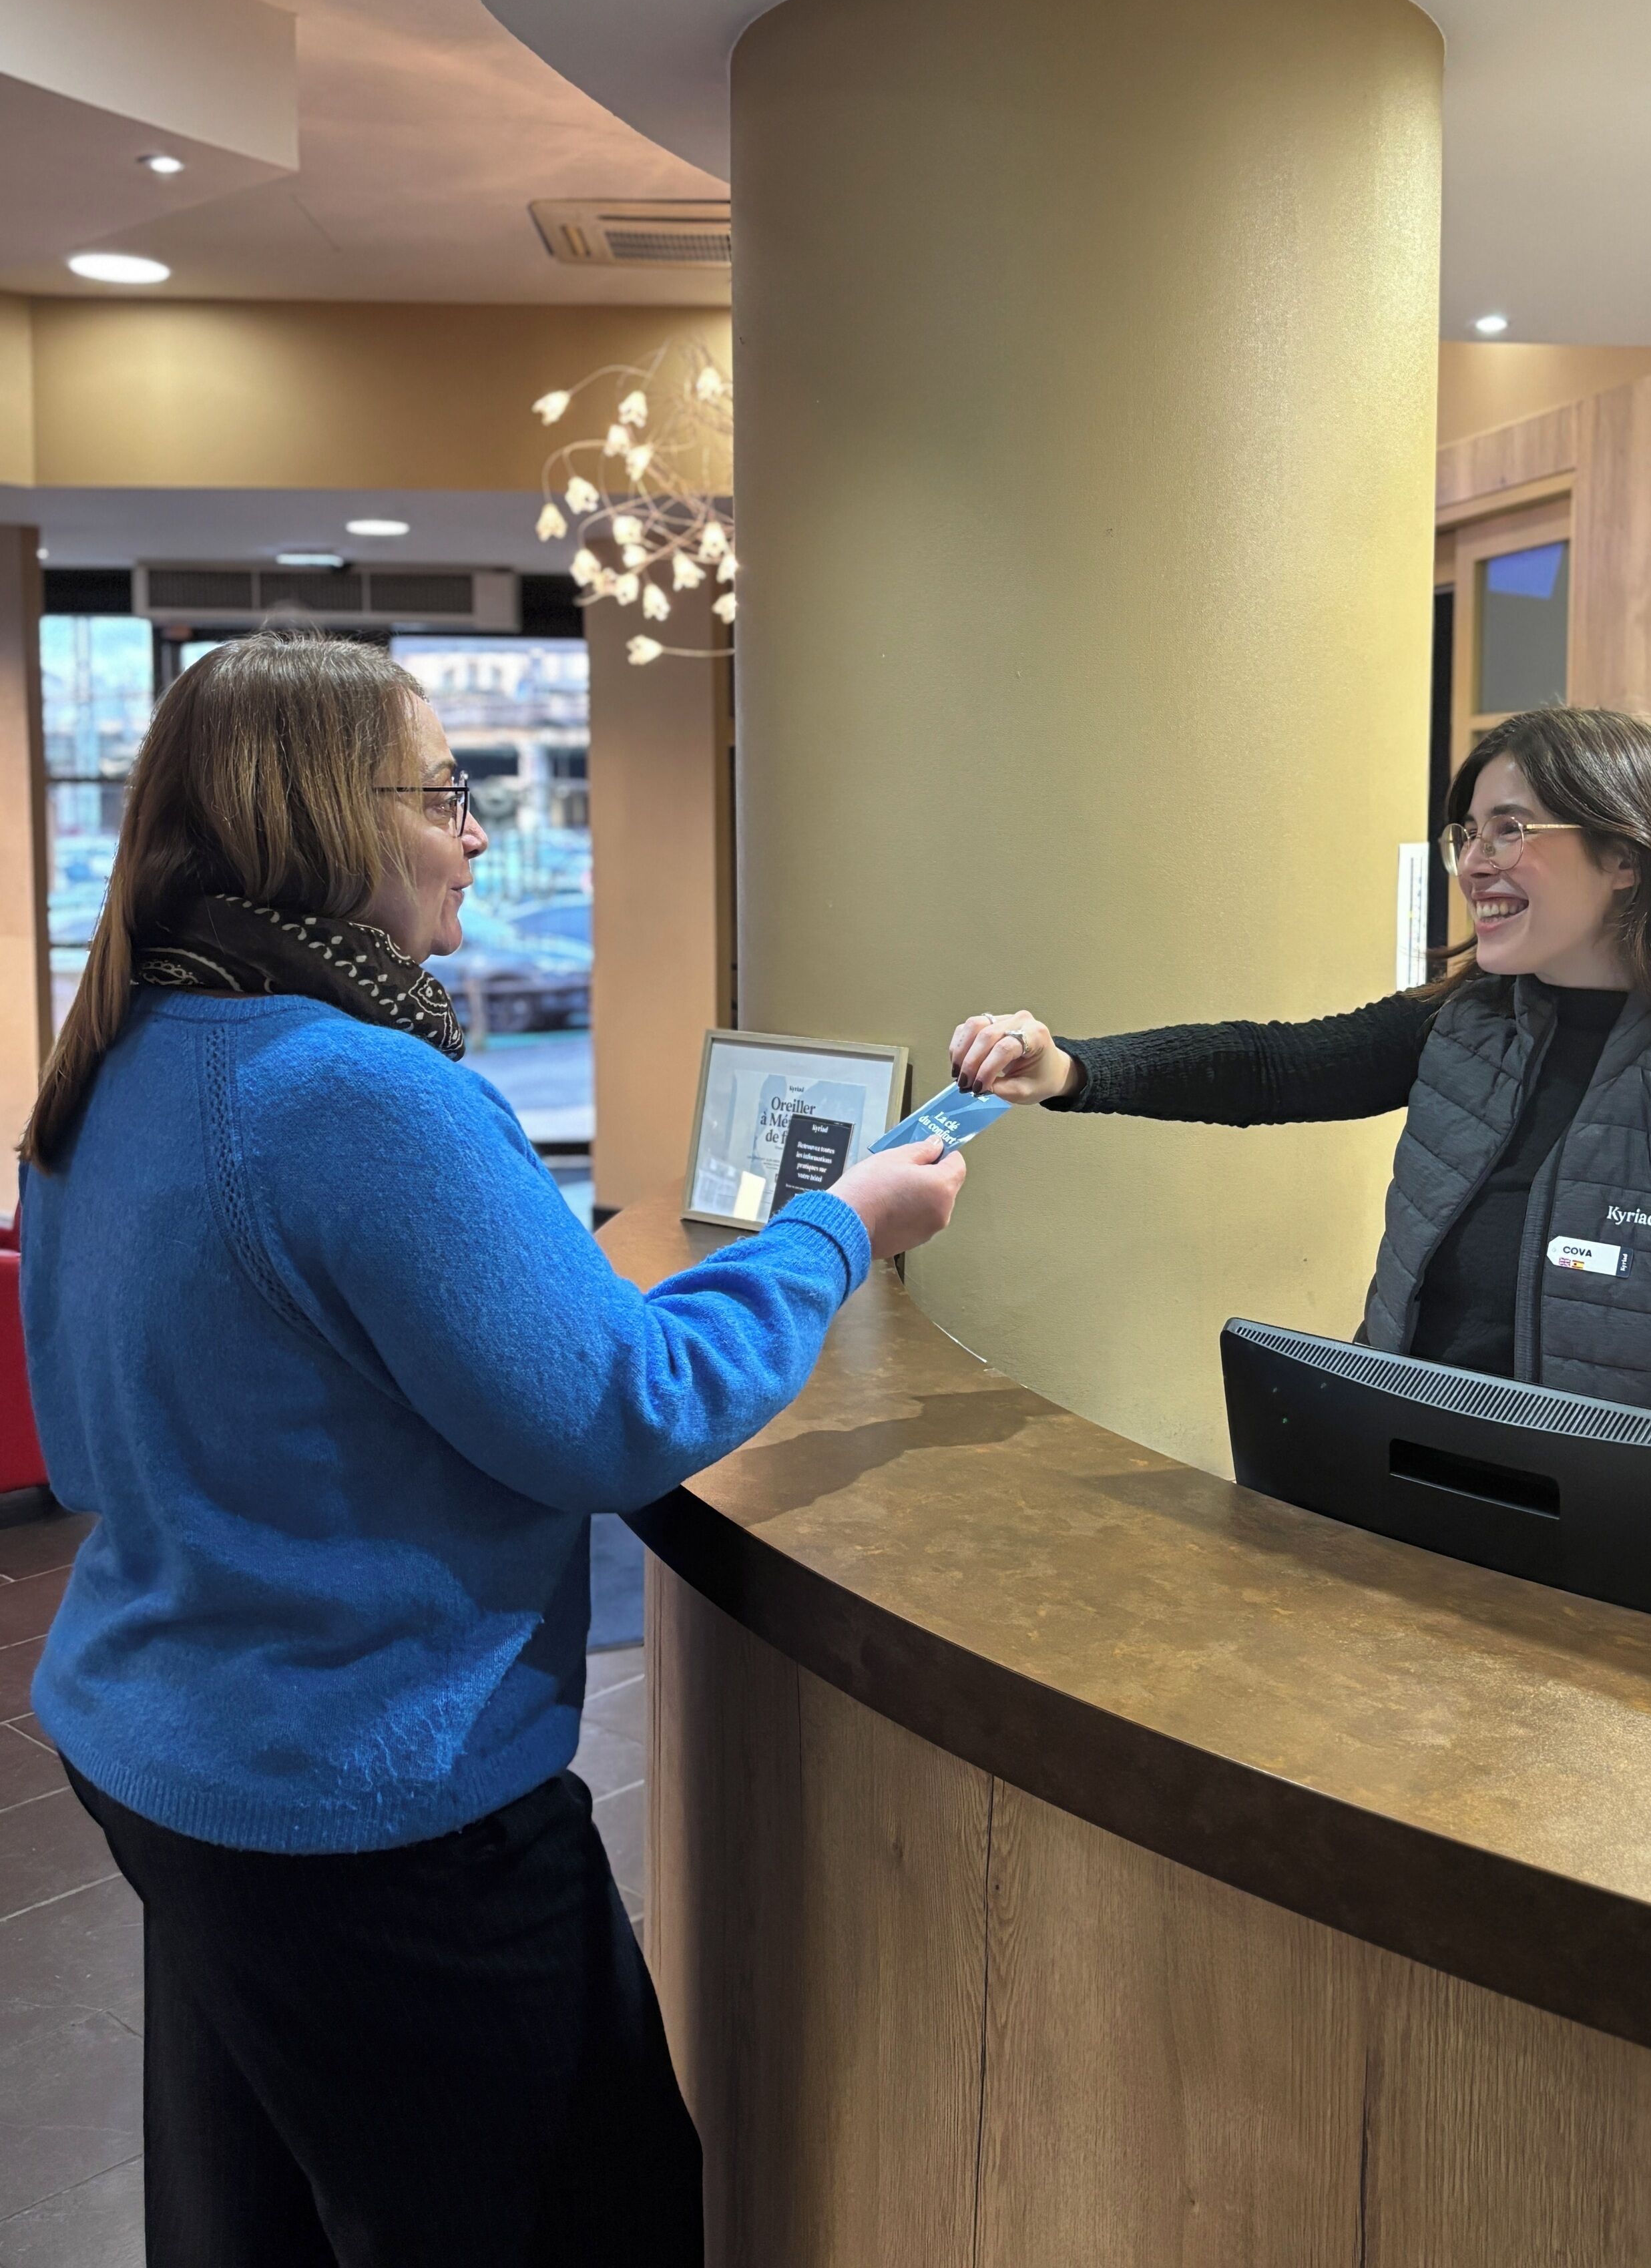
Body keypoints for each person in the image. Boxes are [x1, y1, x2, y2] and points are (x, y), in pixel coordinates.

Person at [17, 629, 965, 2268]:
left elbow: (117, 1427)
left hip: (171, 1742)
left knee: (263, 2210)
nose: (476, 838)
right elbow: (623, 1412)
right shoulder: (356, 1093)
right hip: (371, 1804)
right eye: (446, 795)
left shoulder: (119, 1062)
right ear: (322, 818)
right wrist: (842, 1224)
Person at [950, 704, 1651, 1432]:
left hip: (1589, 1569)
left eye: (1511, 830)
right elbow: (1271, 1067)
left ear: (1625, 856)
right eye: (1470, 834)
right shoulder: (1462, 1022)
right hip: (1400, 1490)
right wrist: (1070, 1068)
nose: (1476, 863)